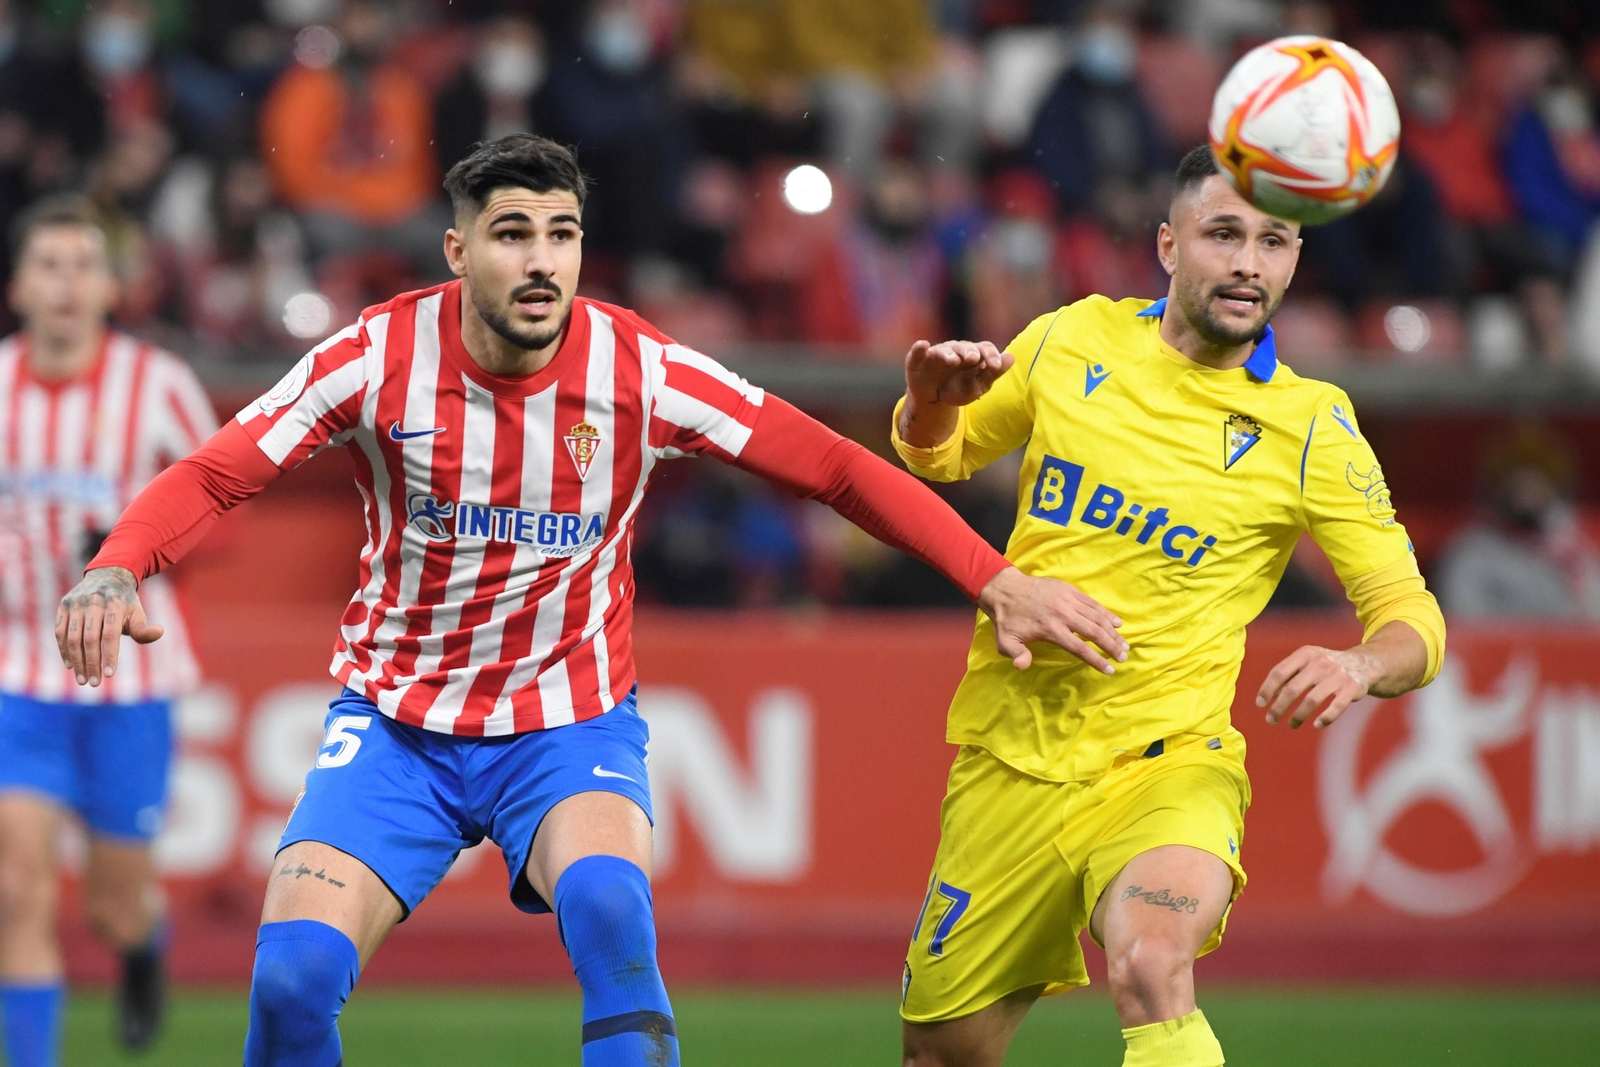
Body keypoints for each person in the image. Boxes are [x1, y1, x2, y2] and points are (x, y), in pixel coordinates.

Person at [55, 134, 1112, 1067]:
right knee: (289, 982)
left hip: (566, 724)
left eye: (561, 234)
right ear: (460, 253)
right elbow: (215, 470)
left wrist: (996, 576)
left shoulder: (638, 369)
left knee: (610, 907)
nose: (541, 259)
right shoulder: (375, 355)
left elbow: (832, 464)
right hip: (394, 726)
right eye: (512, 234)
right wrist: (120, 561)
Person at [891, 146, 1448, 1067]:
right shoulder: (1072, 340)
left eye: (1274, 242)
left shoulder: (1312, 424)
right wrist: (924, 407)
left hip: (1166, 766)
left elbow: (1414, 622)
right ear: (1168, 244)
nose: (1248, 264)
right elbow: (937, 455)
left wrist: (1358, 663)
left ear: (1295, 260)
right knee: (938, 1055)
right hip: (1009, 759)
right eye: (1224, 234)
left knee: (1151, 966)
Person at [0, 197, 217, 1066]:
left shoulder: (156, 381)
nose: (64, 282)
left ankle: (140, 949)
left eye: (81, 264)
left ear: (111, 286)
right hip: (16, 670)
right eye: (46, 264)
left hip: (130, 684)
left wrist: (136, 551)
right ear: (18, 284)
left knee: (113, 905)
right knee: (16, 890)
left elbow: (222, 508)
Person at [1435, 425, 1600, 620]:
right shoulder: (1470, 554)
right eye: (1518, 484)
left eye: (1536, 482)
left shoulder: (1576, 550)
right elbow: (1465, 623)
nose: (1527, 493)